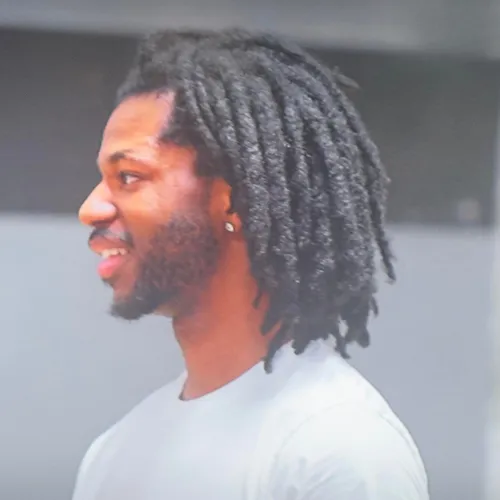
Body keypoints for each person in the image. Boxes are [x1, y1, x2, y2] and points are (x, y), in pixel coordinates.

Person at [74, 28, 429, 500]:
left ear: (235, 200)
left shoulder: (337, 449)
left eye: (128, 176)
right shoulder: (113, 454)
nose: (90, 209)